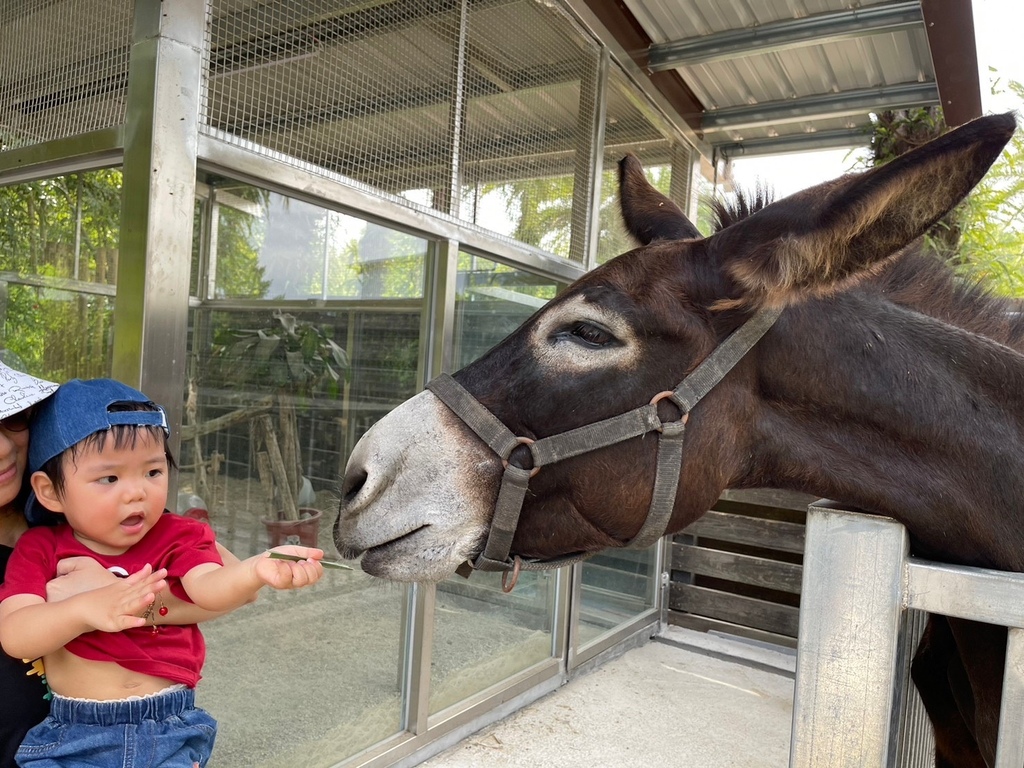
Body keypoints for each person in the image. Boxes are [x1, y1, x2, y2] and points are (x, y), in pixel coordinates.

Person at [0, 378, 325, 768]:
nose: (137, 492)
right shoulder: (41, 548)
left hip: (166, 729)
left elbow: (208, 587)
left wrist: (255, 569)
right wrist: (87, 609)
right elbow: (16, 634)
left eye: (153, 472)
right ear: (50, 491)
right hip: (72, 735)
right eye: (110, 478)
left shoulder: (175, 534)